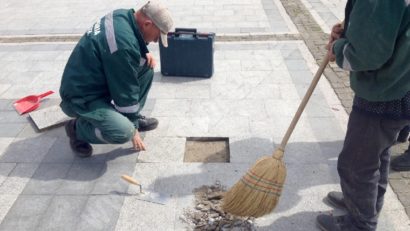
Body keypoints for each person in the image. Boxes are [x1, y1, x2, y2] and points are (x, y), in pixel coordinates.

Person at [316, 1, 410, 231]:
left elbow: (365, 56)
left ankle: (360, 223)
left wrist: (339, 48)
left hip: (385, 92)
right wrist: (349, 32)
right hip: (399, 85)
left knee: (356, 164)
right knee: (377, 153)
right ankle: (363, 203)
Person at [59, 1, 173, 157]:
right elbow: (126, 89)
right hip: (81, 97)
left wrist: (142, 51)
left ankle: (126, 118)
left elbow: (123, 46)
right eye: (157, 35)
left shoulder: (122, 15)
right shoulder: (122, 46)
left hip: (95, 81)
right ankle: (77, 129)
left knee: (146, 67)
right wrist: (132, 129)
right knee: (123, 133)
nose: (155, 41)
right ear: (147, 24)